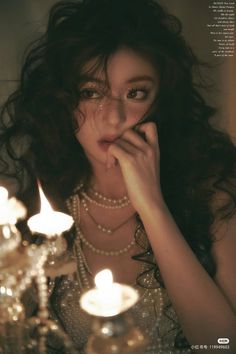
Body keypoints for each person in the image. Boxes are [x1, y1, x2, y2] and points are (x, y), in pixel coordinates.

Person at [0, 0, 236, 353]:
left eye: (135, 93)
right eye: (90, 92)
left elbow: (224, 343)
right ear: (64, 101)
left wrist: (152, 205)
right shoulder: (41, 209)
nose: (112, 117)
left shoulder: (213, 193)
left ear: (161, 101)